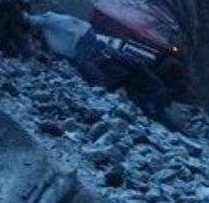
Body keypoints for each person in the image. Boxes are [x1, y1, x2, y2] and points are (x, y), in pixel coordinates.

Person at [26, 10, 172, 124]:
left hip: (81, 37)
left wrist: (25, 18)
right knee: (86, 64)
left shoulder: (46, 19)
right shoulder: (46, 35)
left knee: (85, 63)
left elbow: (32, 19)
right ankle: (102, 90)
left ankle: (99, 90)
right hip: (85, 44)